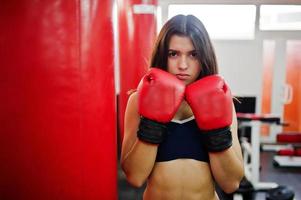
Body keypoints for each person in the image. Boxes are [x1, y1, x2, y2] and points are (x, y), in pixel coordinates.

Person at [120, 14, 244, 200]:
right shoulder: (139, 101)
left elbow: (231, 183)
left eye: (193, 55)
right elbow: (135, 177)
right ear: (163, 55)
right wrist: (153, 123)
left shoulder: (221, 103)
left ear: (204, 57)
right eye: (173, 54)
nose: (183, 65)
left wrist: (215, 130)